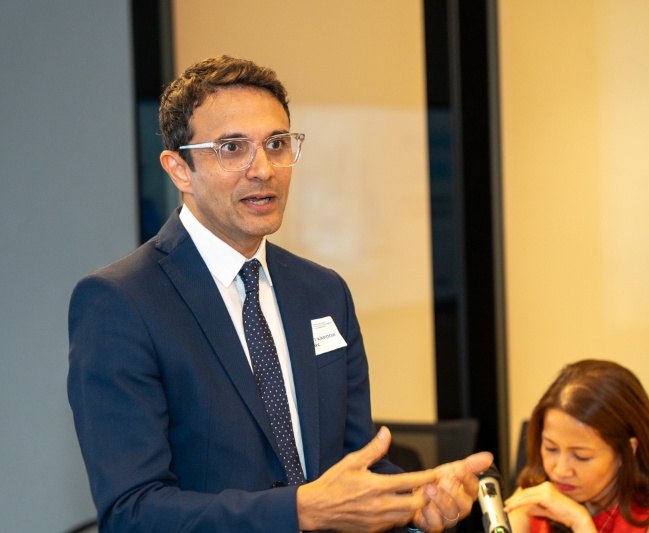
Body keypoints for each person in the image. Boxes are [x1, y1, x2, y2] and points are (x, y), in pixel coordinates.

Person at [67, 55, 492, 532]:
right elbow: (133, 513)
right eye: (232, 148)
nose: (263, 169)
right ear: (179, 169)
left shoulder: (324, 291)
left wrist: (416, 502)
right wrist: (299, 510)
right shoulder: (120, 303)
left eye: (276, 143)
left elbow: (353, 468)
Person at [505, 360, 649, 533]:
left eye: (581, 456)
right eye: (551, 448)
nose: (561, 471)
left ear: (627, 451)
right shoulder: (537, 494)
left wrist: (581, 523)